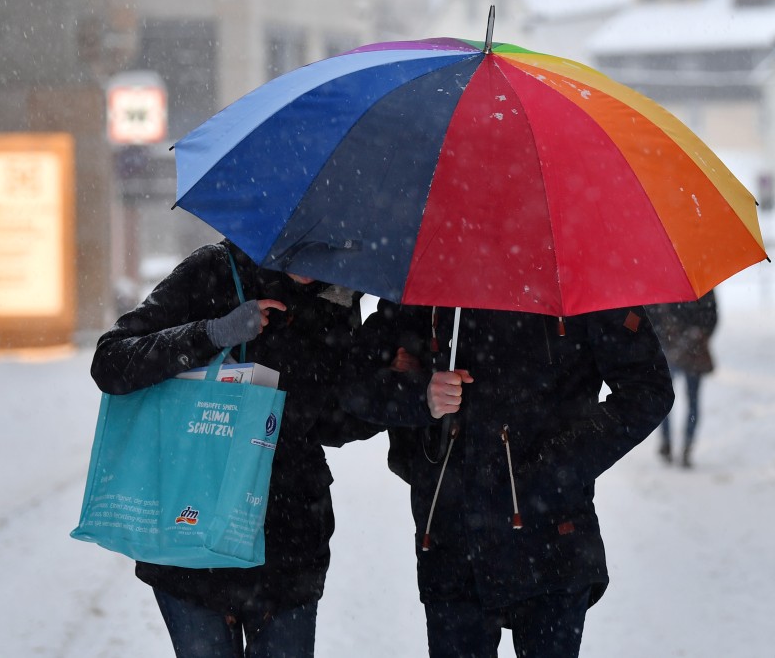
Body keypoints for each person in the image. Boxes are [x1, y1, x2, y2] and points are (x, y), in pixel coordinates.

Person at [90, 239, 379, 657]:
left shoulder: (337, 298)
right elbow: (111, 362)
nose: (308, 264)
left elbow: (329, 421)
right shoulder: (215, 269)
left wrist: (392, 395)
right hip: (192, 543)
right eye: (298, 244)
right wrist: (212, 333)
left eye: (321, 247)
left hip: (287, 544)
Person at [343, 302, 673, 658]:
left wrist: (556, 466)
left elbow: (648, 390)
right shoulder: (433, 272)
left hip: (551, 537)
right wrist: (420, 396)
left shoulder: (576, 271)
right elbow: (351, 385)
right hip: (451, 540)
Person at [646, 290, 718, 468]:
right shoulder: (701, 285)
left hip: (672, 350)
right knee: (689, 400)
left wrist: (667, 336)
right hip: (687, 352)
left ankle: (671, 442)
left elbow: (651, 317)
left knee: (667, 398)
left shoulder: (662, 284)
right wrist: (698, 333)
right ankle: (683, 444)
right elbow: (712, 318)